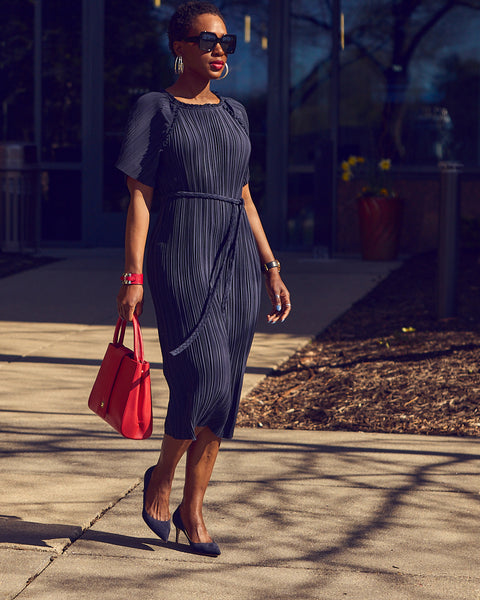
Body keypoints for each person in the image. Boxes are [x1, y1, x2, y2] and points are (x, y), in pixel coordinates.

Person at [116, 1, 291, 557]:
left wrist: (270, 266)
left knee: (225, 386)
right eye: (208, 40)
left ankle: (193, 508)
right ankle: (162, 476)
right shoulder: (155, 108)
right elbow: (140, 198)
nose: (220, 50)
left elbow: (243, 194)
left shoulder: (236, 114)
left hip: (236, 257)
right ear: (179, 47)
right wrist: (133, 275)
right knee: (198, 375)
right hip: (181, 254)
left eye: (226, 43)